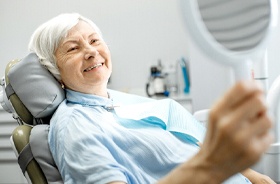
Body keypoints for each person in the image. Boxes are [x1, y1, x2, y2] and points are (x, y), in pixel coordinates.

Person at [28, 13, 275, 184]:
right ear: (54, 70)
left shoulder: (116, 102)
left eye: (94, 41)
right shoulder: (75, 126)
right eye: (73, 48)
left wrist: (254, 176)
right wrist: (213, 164)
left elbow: (191, 143)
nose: (91, 51)